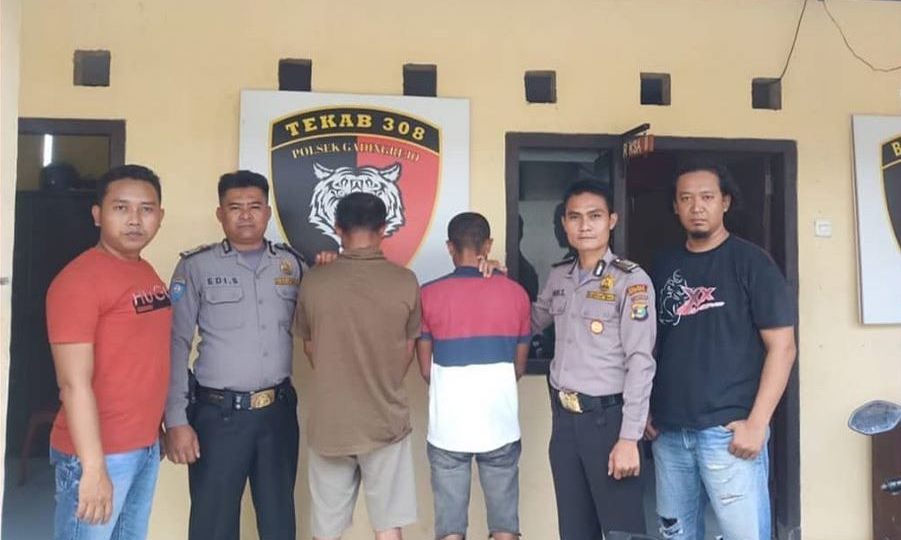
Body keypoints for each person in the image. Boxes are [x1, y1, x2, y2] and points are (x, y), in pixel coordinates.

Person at [645, 161, 797, 540]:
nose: (697, 207)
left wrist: (757, 423)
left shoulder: (752, 263)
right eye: (686, 199)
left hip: (729, 436)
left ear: (725, 202)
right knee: (676, 535)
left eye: (707, 197)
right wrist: (644, 408)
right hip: (669, 433)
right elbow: (647, 346)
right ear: (676, 207)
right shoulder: (662, 266)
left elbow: (783, 347)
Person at [164, 170, 303, 540]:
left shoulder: (292, 265)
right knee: (213, 524)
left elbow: (325, 314)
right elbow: (174, 342)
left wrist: (333, 267)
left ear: (268, 212)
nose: (245, 215)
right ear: (220, 214)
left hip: (278, 414)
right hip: (218, 417)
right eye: (235, 207)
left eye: (254, 207)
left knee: (279, 523)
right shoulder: (196, 267)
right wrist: (176, 419)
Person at [46, 164, 169, 540]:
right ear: (98, 215)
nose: (135, 220)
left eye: (146, 209)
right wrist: (94, 468)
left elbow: (143, 358)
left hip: (144, 446)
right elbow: (73, 384)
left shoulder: (144, 271)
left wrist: (155, 429)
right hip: (98, 453)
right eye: (121, 208)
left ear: (160, 217)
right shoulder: (78, 281)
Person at [532, 180, 657, 538]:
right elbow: (527, 321)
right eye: (575, 217)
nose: (584, 225)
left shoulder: (630, 281)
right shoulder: (559, 276)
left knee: (621, 532)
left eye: (595, 216)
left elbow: (640, 361)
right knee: (574, 530)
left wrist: (630, 439)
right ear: (564, 225)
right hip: (565, 423)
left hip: (610, 423)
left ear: (612, 221)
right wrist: (490, 285)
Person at [296, 192, 421, 540]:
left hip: (330, 423)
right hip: (385, 419)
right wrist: (381, 381)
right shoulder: (405, 281)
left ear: (337, 229)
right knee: (388, 526)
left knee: (327, 529)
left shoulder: (315, 281)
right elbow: (408, 350)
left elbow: (310, 348)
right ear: (385, 229)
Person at [417, 212, 531, 540]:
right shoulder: (517, 294)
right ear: (488, 245)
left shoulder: (428, 295)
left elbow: (426, 369)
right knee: (505, 527)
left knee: (451, 529)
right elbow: (519, 368)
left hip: (448, 428)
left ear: (450, 247)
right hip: (500, 425)